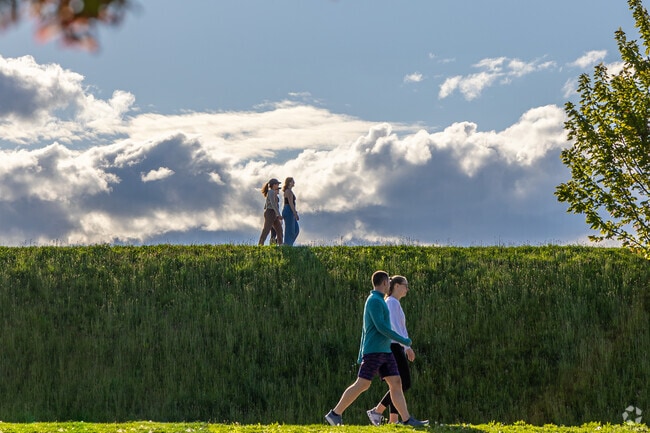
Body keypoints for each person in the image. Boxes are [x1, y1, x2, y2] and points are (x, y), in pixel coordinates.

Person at [324, 271, 428, 427]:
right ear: (385, 283)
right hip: (375, 351)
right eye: (389, 282)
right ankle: (335, 414)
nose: (390, 285)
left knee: (397, 383)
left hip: (385, 351)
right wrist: (404, 341)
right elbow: (381, 328)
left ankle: (407, 420)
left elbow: (367, 330)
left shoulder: (379, 300)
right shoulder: (374, 301)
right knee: (362, 384)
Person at [367, 275, 417, 425]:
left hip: (397, 346)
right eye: (405, 285)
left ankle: (393, 419)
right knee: (402, 383)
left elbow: (401, 328)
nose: (407, 288)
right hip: (394, 346)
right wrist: (407, 347)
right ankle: (377, 410)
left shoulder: (395, 303)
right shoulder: (391, 304)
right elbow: (394, 328)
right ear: (396, 286)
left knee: (398, 384)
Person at [258, 178, 283, 245]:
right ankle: (260, 244)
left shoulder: (273, 192)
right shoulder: (271, 192)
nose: (278, 185)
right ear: (274, 185)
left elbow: (267, 204)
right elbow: (273, 204)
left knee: (279, 230)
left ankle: (281, 245)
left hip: (273, 213)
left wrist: (277, 214)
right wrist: (279, 214)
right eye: (277, 184)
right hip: (270, 213)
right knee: (266, 230)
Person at [281, 177, 300, 246]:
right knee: (289, 230)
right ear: (289, 182)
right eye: (293, 181)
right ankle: (287, 244)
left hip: (290, 210)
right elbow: (290, 203)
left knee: (296, 230)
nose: (294, 182)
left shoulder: (289, 191)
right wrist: (295, 213)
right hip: (289, 210)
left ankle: (289, 244)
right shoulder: (288, 191)